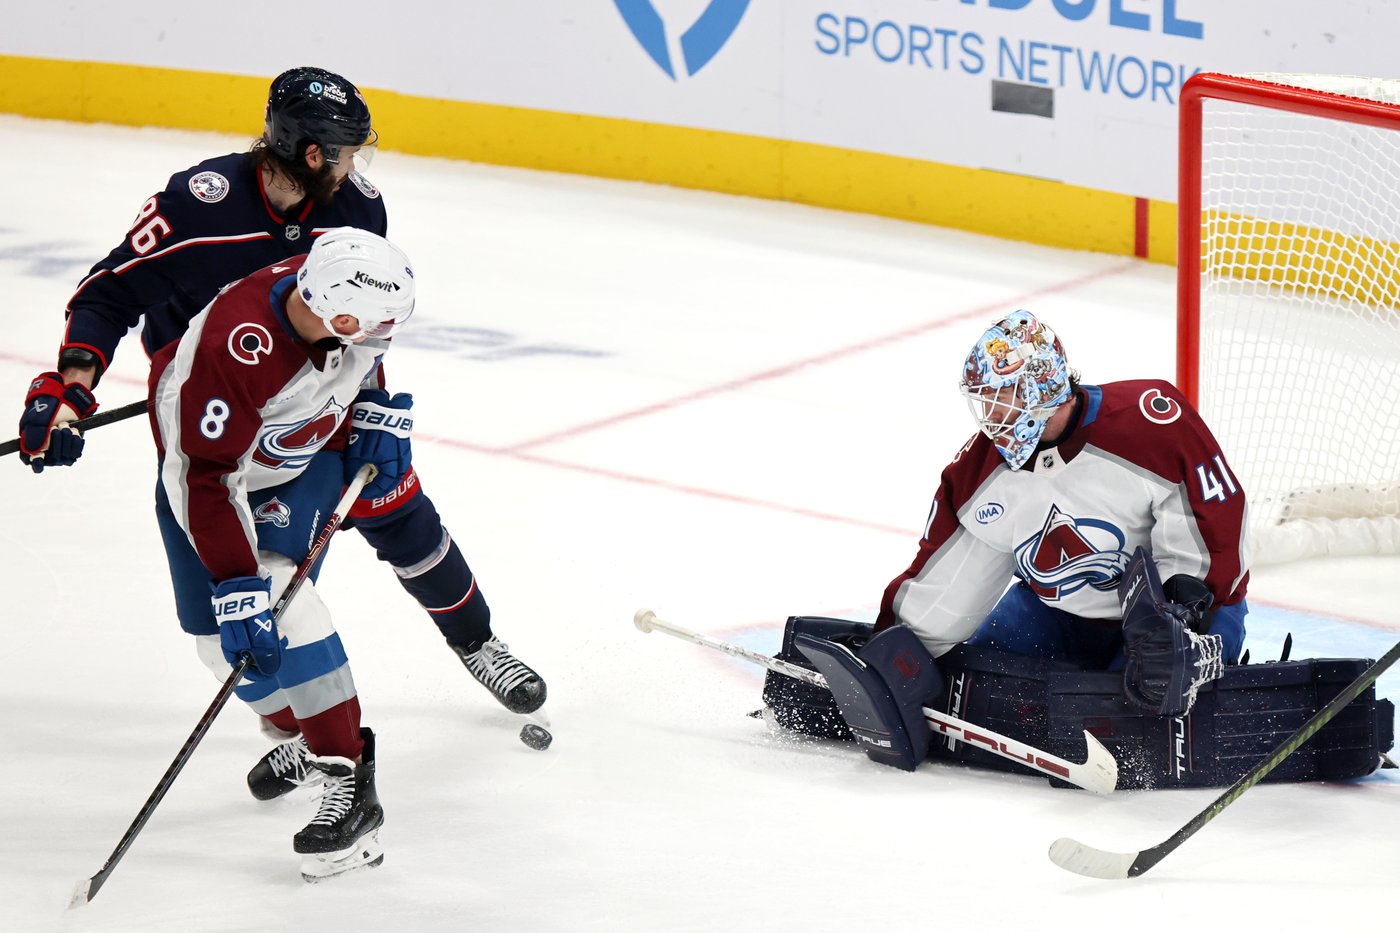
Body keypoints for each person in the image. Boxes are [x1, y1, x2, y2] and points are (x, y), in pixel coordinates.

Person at [15, 66, 546, 757]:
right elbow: (109, 292)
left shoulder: (357, 208)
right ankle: (300, 727)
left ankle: (477, 642)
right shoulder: (198, 206)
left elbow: (363, 322)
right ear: (313, 153)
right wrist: (72, 384)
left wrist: (373, 398)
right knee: (258, 586)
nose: (357, 167)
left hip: (322, 387)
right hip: (221, 407)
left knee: (395, 504)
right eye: (347, 152)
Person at [768, 310, 1255, 777]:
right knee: (980, 670)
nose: (991, 415)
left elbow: (1214, 521)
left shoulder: (1149, 421)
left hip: (1175, 620)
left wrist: (1181, 619)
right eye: (984, 401)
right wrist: (889, 658)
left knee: (1152, 687)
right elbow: (949, 585)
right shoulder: (979, 471)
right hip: (1059, 614)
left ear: (1042, 387)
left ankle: (1195, 670)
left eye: (1002, 397)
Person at [150, 227, 415, 879]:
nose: (373, 334)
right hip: (209, 478)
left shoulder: (342, 290)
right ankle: (302, 733)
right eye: (360, 325)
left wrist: (373, 409)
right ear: (327, 309)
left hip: (304, 459)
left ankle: (347, 776)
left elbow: (367, 356)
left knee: (279, 594)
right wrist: (233, 583)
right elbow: (207, 478)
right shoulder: (235, 348)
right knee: (217, 643)